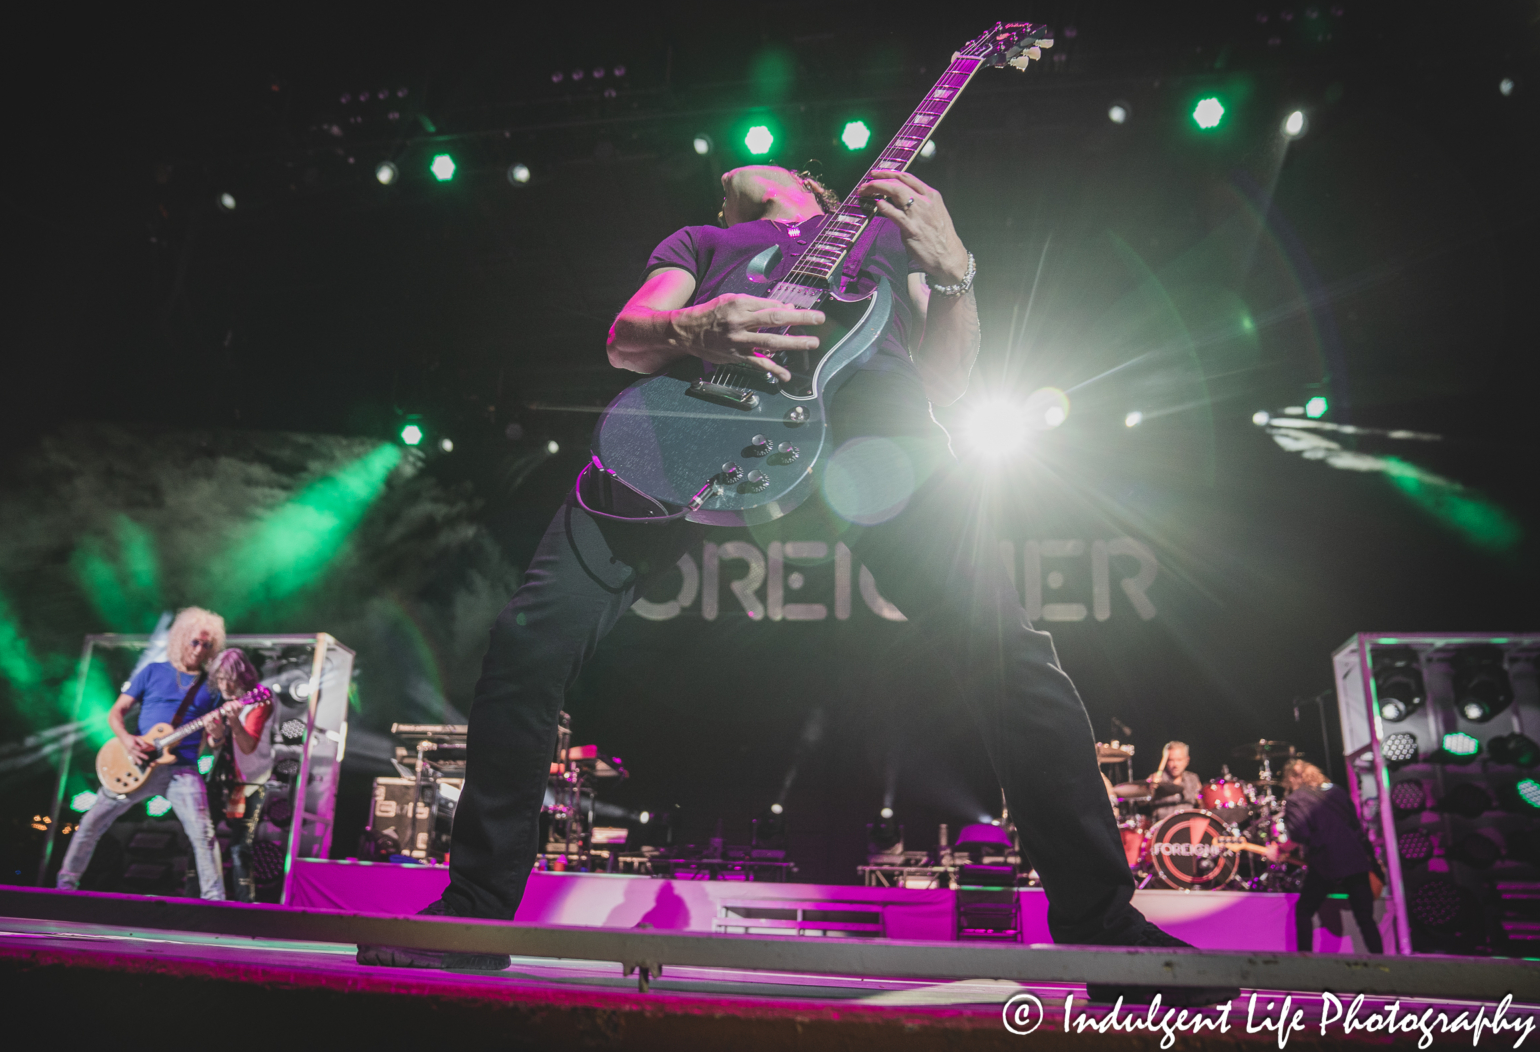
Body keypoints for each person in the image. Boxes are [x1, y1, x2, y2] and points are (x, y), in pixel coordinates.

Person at [360, 164, 1237, 1005]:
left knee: (1012, 654)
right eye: (724, 180)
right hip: (694, 436)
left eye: (763, 165)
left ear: (814, 185)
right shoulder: (702, 241)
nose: (738, 174)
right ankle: (475, 908)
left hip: (874, 449)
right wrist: (698, 327)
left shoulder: (883, 234)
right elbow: (629, 336)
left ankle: (1105, 926)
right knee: (525, 643)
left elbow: (946, 382)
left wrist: (958, 274)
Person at [57, 607, 228, 900]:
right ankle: (64, 888)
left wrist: (216, 731)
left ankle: (215, 902)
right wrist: (127, 741)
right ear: (181, 638)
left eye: (207, 644)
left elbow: (215, 742)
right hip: (135, 762)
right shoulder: (153, 672)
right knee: (91, 824)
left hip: (182, 770)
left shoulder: (212, 687)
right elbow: (116, 713)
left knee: (204, 836)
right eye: (195, 642)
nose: (200, 649)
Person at [1270, 759, 1384, 954]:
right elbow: (1357, 828)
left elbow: (1300, 835)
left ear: (1291, 779)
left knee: (1304, 911)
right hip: (1355, 859)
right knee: (1365, 918)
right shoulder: (1337, 792)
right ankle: (1385, 967)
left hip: (1326, 862)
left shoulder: (1296, 799)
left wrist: (1280, 849)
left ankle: (1305, 960)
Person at [207, 647, 272, 903]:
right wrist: (216, 735)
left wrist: (234, 724)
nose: (222, 684)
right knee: (202, 839)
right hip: (221, 777)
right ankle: (201, 897)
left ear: (241, 676)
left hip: (250, 782)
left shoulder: (259, 700)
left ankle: (245, 904)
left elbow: (247, 747)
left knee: (240, 846)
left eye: (227, 678)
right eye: (219, 678)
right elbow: (216, 745)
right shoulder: (226, 701)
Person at [1146, 741, 1202, 821]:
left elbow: (1201, 803)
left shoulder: (1193, 778)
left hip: (1187, 825)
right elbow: (1141, 802)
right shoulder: (1156, 778)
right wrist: (1150, 788)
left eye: (1179, 760)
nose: (1175, 765)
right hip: (1163, 827)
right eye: (1171, 760)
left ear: (1187, 760)